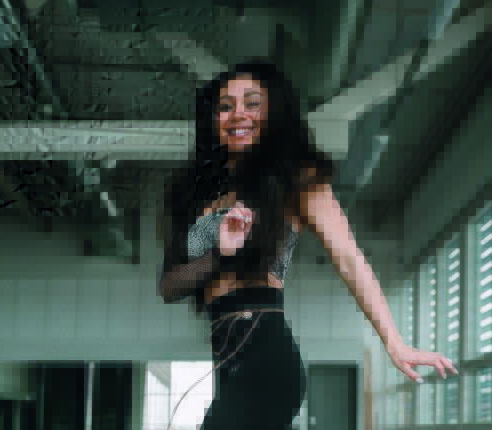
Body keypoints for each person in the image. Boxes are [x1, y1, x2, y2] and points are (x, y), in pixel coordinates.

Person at [157, 58, 458, 430]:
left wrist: (394, 342)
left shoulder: (294, 179)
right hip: (227, 363)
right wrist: (220, 253)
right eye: (225, 106)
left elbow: (348, 257)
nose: (238, 114)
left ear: (272, 112)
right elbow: (170, 287)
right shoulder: (195, 195)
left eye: (252, 103)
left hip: (267, 359)